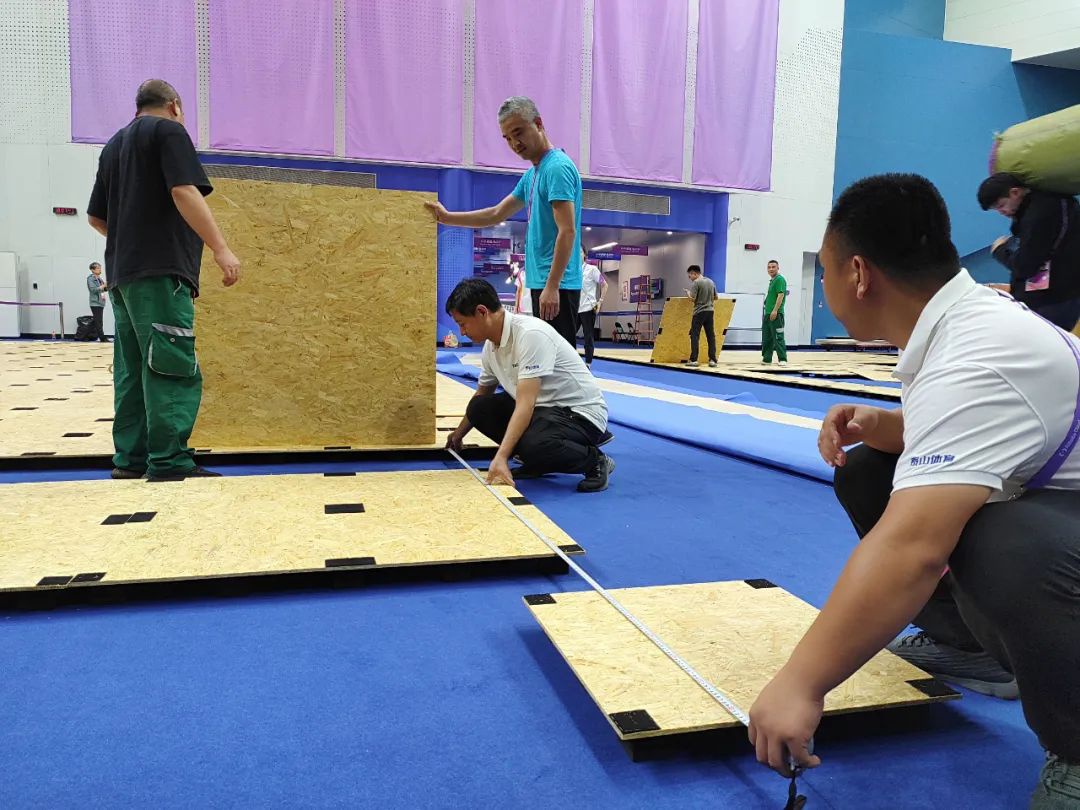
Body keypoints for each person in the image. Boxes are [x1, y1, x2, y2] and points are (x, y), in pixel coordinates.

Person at [747, 174, 1080, 807]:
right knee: (871, 468)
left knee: (1007, 539)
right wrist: (883, 426)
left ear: (859, 274)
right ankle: (969, 647)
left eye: (825, 270)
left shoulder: (979, 353)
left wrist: (801, 682)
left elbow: (912, 549)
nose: (825, 284)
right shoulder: (954, 326)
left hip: (1061, 534)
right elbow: (971, 431)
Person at [87, 79, 241, 482]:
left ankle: (131, 459)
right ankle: (170, 461)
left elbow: (96, 218)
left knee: (132, 368)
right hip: (160, 275)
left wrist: (133, 239)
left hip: (122, 278)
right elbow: (184, 191)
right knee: (169, 363)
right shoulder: (169, 132)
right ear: (174, 106)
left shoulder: (113, 146)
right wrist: (221, 248)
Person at [425, 96, 583, 347]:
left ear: (538, 124)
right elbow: (496, 213)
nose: (514, 143)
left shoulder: (556, 168)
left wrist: (553, 285)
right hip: (543, 282)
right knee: (545, 358)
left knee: (559, 362)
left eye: (518, 133)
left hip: (558, 285)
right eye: (507, 138)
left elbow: (568, 231)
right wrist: (447, 218)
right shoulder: (533, 174)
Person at [444, 278, 614, 493]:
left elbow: (525, 404)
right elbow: (482, 393)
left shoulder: (530, 334)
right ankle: (538, 460)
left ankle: (595, 461)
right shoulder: (490, 347)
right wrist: (459, 434)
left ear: (482, 312)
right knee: (479, 407)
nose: (462, 332)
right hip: (545, 412)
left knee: (535, 443)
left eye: (462, 324)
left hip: (580, 414)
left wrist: (502, 456)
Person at [978, 172, 1080, 330]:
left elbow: (1025, 266)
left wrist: (1000, 251)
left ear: (1015, 192)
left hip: (1051, 298)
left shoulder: (1037, 218)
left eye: (1001, 205)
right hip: (1067, 291)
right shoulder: (1058, 202)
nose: (1001, 212)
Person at [682, 265, 717, 368]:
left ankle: (694, 360)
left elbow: (692, 299)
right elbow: (716, 297)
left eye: (690, 275)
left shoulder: (696, 283)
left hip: (699, 312)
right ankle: (712, 360)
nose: (690, 278)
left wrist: (688, 293)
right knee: (710, 336)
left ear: (694, 273)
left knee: (695, 335)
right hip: (710, 311)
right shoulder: (711, 282)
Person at [578, 249, 607, 366]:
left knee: (588, 337)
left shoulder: (592, 269)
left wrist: (600, 302)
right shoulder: (571, 271)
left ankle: (588, 364)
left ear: (584, 255)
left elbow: (604, 285)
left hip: (588, 308)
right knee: (568, 335)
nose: (577, 253)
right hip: (575, 308)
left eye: (580, 251)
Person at [762, 259, 788, 365]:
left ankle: (782, 359)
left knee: (778, 337)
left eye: (773, 267)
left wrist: (775, 311)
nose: (771, 269)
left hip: (776, 314)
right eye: (769, 267)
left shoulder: (779, 279)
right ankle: (767, 359)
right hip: (768, 314)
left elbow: (781, 295)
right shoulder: (772, 281)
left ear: (778, 268)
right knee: (767, 337)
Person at [86, 262, 109, 342]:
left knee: (98, 320)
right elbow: (93, 290)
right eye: (98, 268)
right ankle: (102, 338)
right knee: (98, 321)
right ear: (92, 270)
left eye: (100, 268)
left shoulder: (99, 279)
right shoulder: (90, 279)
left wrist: (107, 286)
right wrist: (103, 286)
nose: (100, 270)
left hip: (101, 302)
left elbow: (103, 289)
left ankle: (93, 335)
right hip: (95, 302)